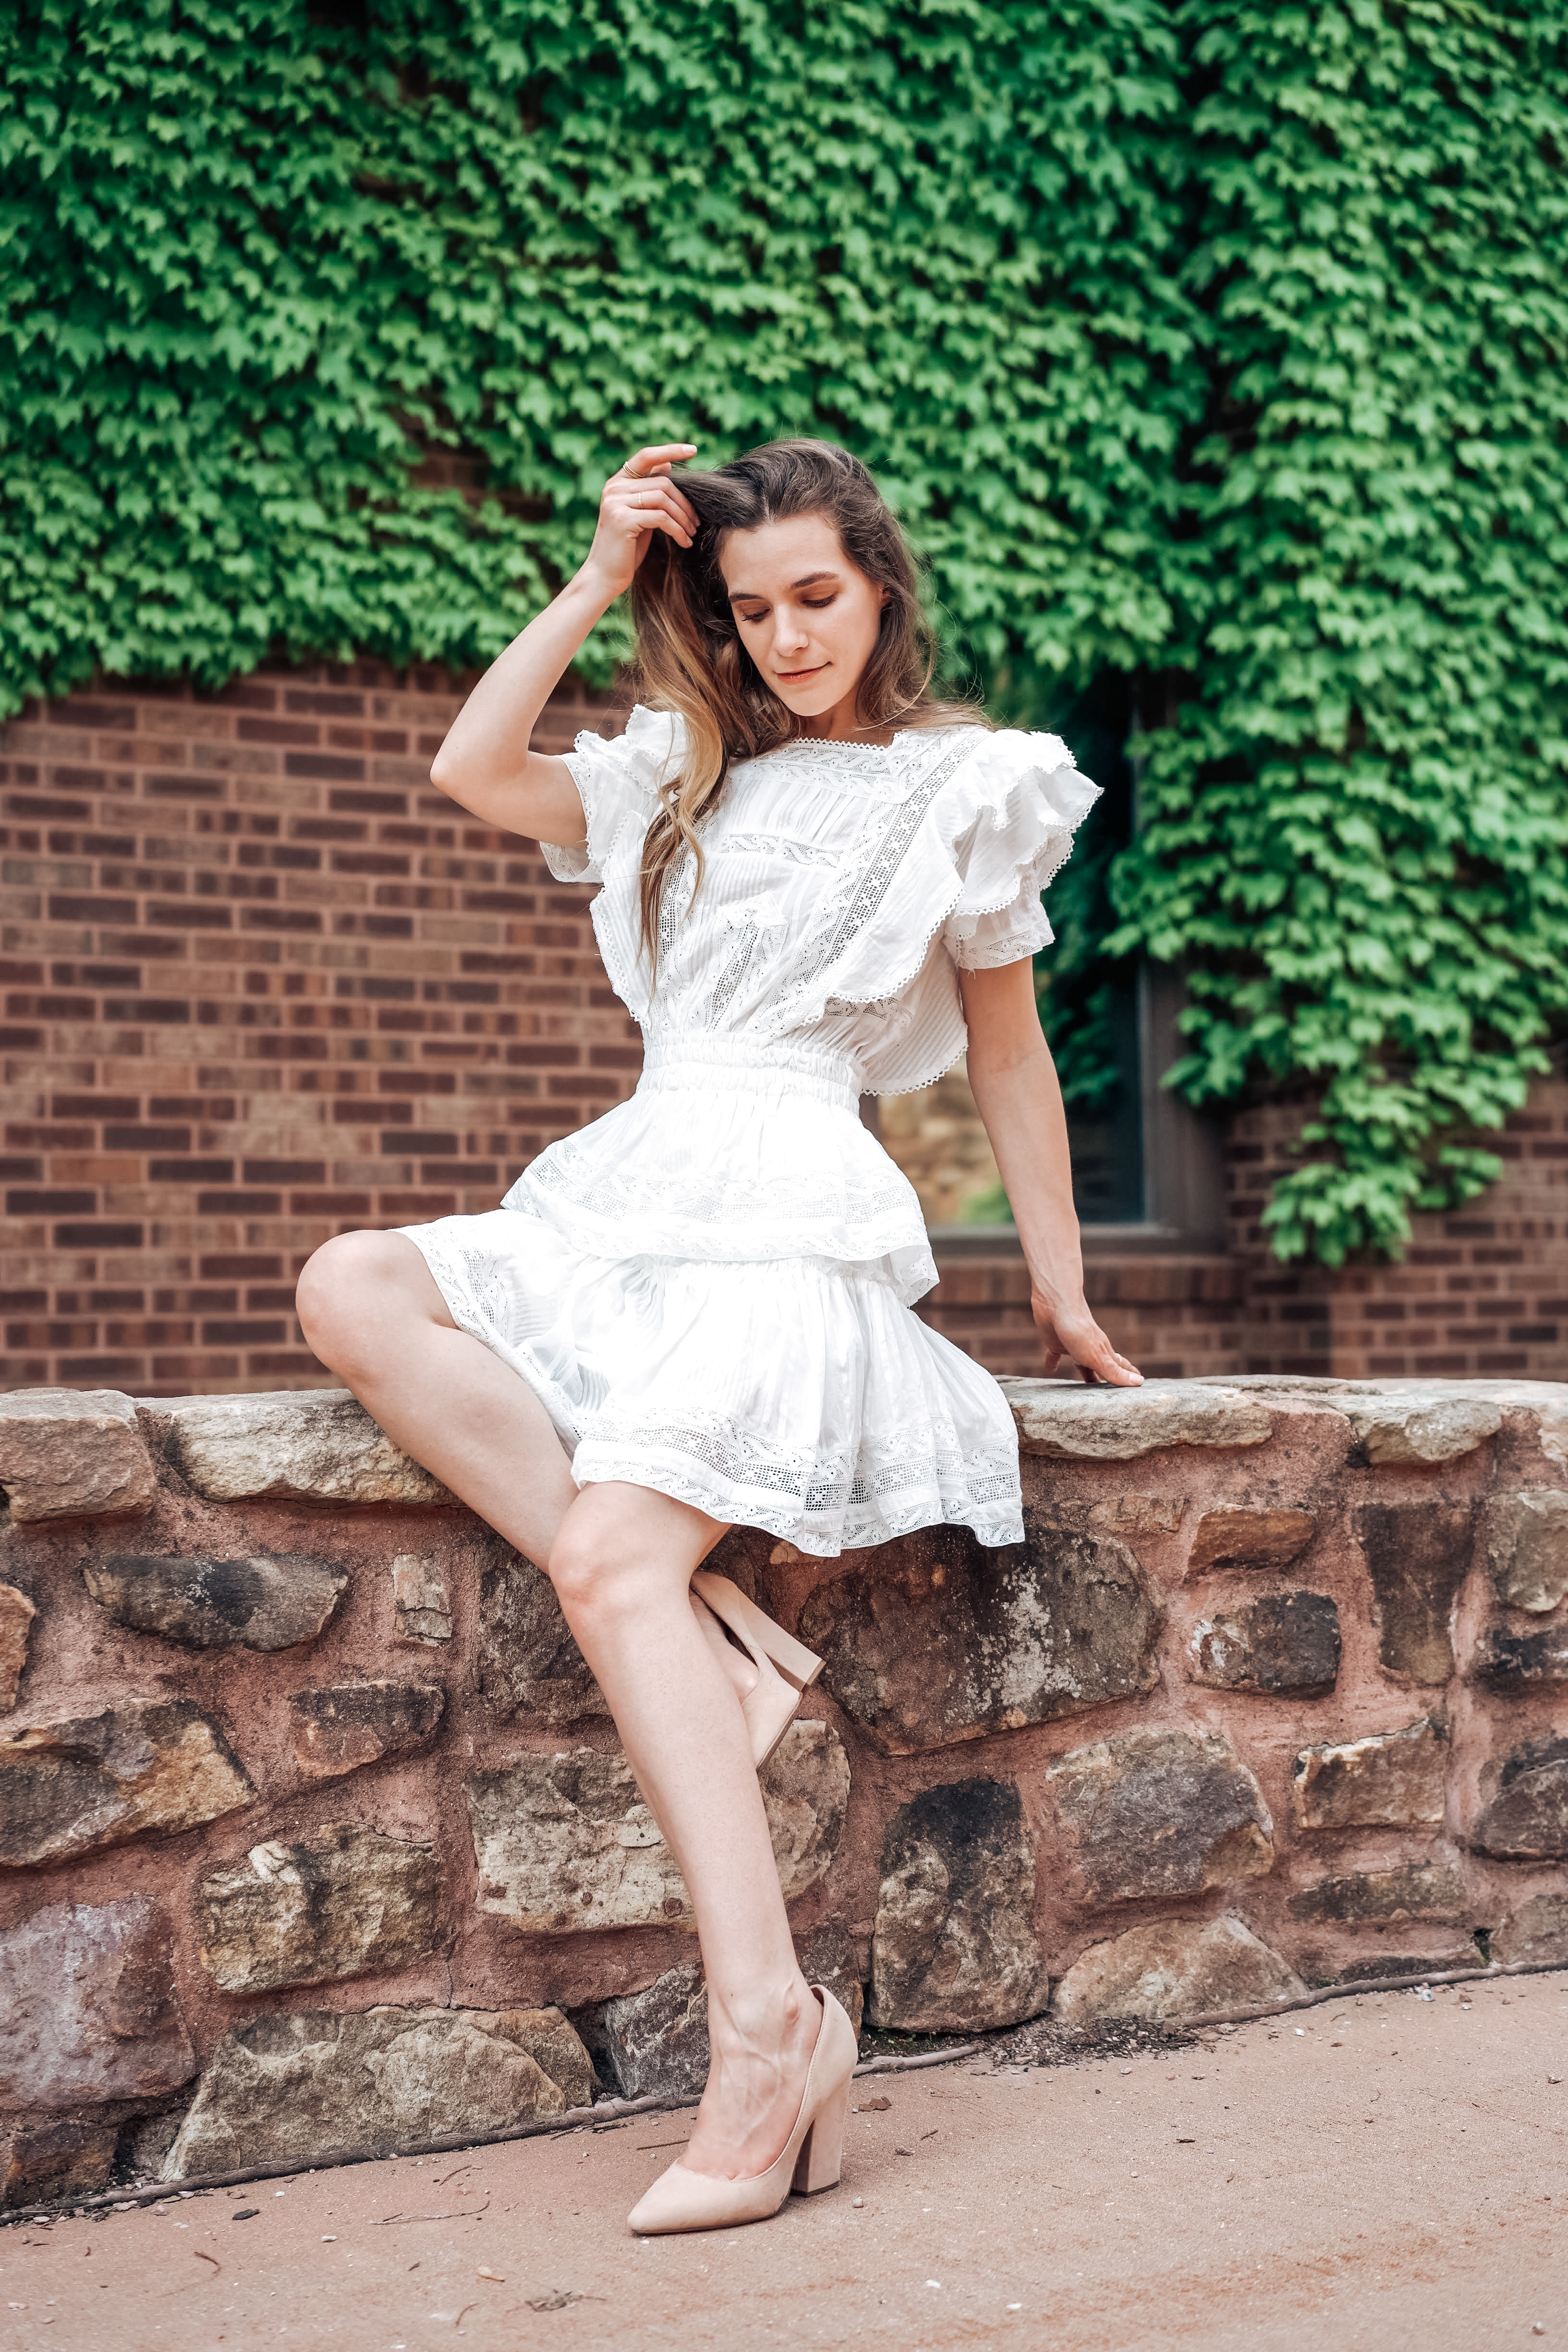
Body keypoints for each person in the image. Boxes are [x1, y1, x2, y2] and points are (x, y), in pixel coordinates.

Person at [295, 436, 1143, 2236]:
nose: (784, 637)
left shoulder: (959, 785)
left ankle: (768, 2030)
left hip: (787, 1221)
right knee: (351, 1283)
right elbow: (467, 767)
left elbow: (1007, 1056)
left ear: (882, 588)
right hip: (629, 1185)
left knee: (606, 1548)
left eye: (816, 599)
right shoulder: (679, 771)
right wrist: (603, 578)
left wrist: (1058, 1288)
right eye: (750, 610)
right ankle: (720, 1636)